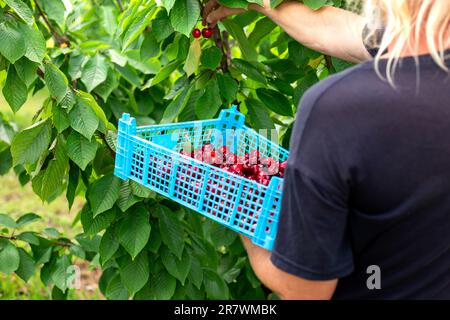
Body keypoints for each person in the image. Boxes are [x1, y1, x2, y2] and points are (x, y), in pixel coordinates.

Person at [204, 0, 450, 299]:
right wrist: (263, 4)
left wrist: (241, 216)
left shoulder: (338, 109)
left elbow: (305, 290)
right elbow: (344, 31)